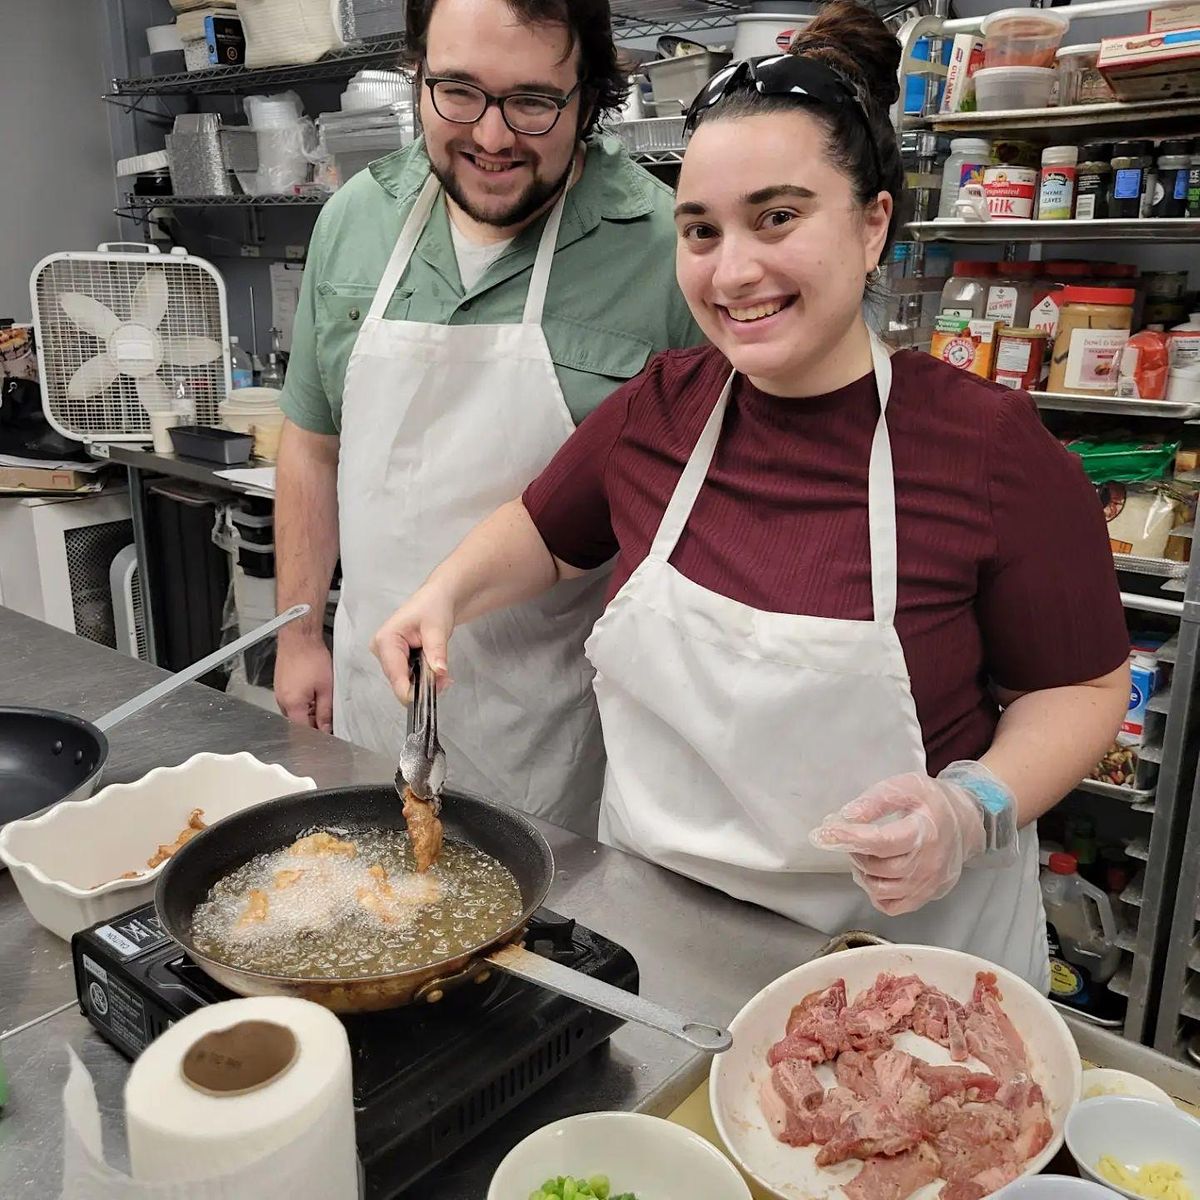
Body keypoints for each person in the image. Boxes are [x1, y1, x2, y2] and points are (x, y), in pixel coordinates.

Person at [371, 1, 1130, 986]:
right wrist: (447, 596)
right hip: (657, 944)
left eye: (777, 217)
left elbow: (1080, 688)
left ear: (871, 225)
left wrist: (971, 807)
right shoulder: (660, 411)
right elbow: (543, 531)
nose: (733, 271)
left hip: (898, 965)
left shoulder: (988, 450)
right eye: (700, 229)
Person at [273, 0, 701, 834]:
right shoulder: (355, 221)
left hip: (554, 731)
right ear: (416, 73)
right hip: (369, 702)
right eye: (457, 91)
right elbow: (311, 446)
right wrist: (298, 633)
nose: (493, 137)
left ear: (592, 96)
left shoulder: (667, 253)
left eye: (534, 101)